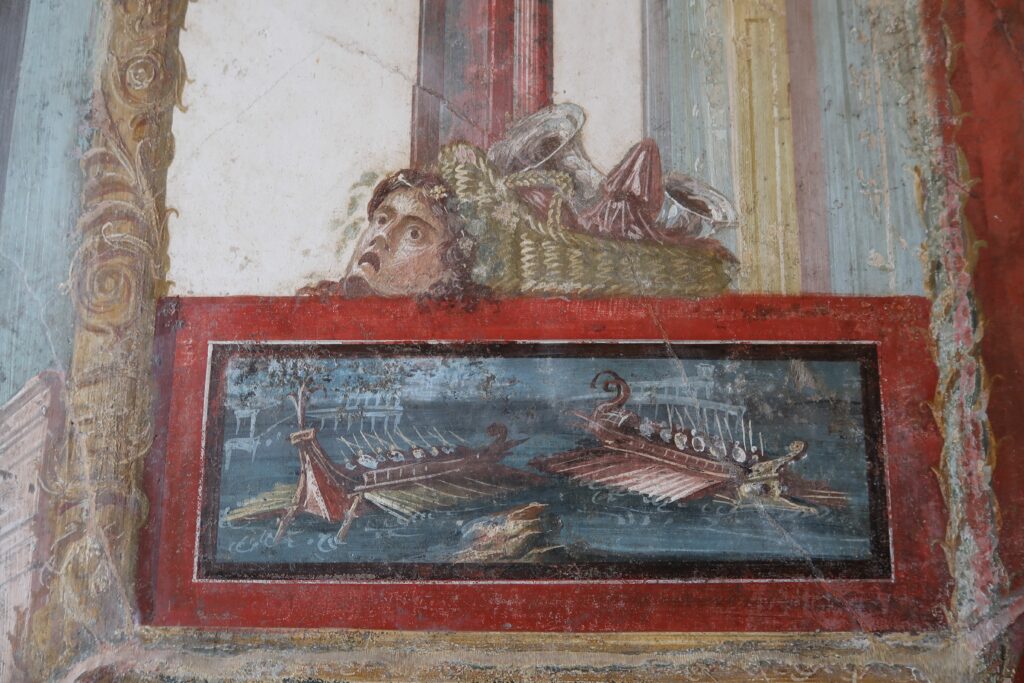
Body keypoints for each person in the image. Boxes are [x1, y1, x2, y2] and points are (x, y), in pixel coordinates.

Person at [299, 169, 483, 300]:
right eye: (381, 220)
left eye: (413, 234)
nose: (381, 237)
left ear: (446, 268)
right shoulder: (312, 305)